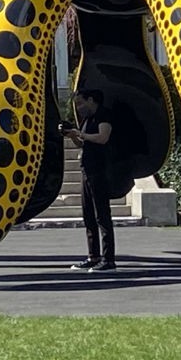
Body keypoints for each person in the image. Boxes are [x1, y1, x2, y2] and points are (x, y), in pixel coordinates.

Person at [62, 89, 116, 272]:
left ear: (91, 100)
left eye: (80, 103)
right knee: (88, 215)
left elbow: (103, 137)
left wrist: (81, 134)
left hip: (100, 170)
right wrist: (73, 136)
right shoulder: (87, 119)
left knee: (102, 215)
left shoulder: (104, 115)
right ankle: (93, 256)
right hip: (86, 169)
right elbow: (83, 143)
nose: (78, 107)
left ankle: (109, 260)